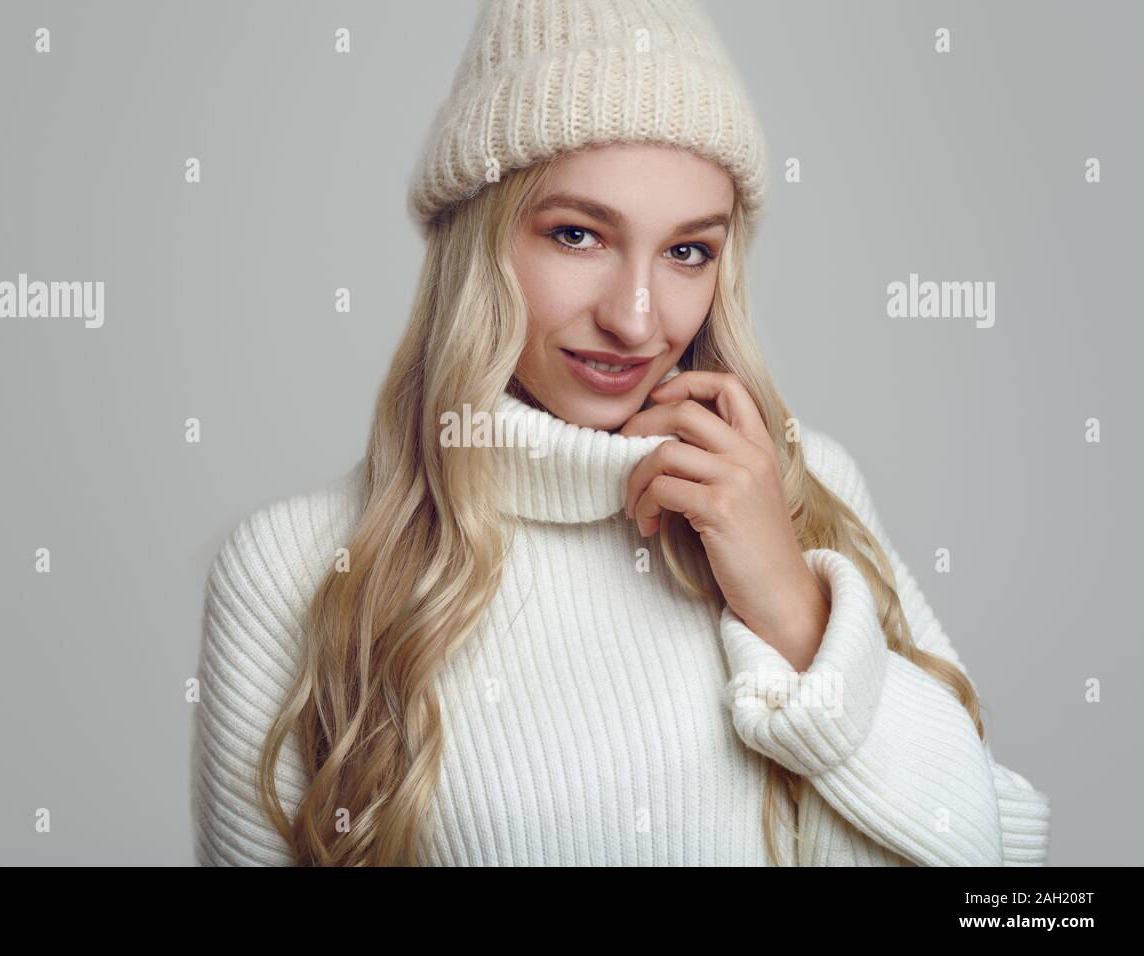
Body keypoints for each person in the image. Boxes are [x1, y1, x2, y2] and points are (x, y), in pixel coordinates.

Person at [191, 0, 1051, 866]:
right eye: (578, 235)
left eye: (688, 252)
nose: (636, 320)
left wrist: (793, 612)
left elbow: (1002, 866)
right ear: (476, 243)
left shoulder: (797, 490)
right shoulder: (294, 565)